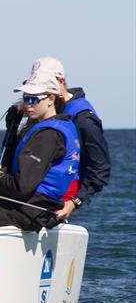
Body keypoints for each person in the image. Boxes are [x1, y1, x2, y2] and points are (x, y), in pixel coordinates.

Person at [0, 70, 80, 231]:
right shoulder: (63, 125)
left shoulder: (48, 135)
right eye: (25, 98)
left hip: (31, 210)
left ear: (51, 99)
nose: (28, 104)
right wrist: (12, 127)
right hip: (34, 206)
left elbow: (22, 187)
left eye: (34, 99)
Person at [29, 57, 110, 221]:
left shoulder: (84, 119)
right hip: (31, 189)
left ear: (61, 81)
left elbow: (100, 169)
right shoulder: (41, 108)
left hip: (58, 198)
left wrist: (74, 202)